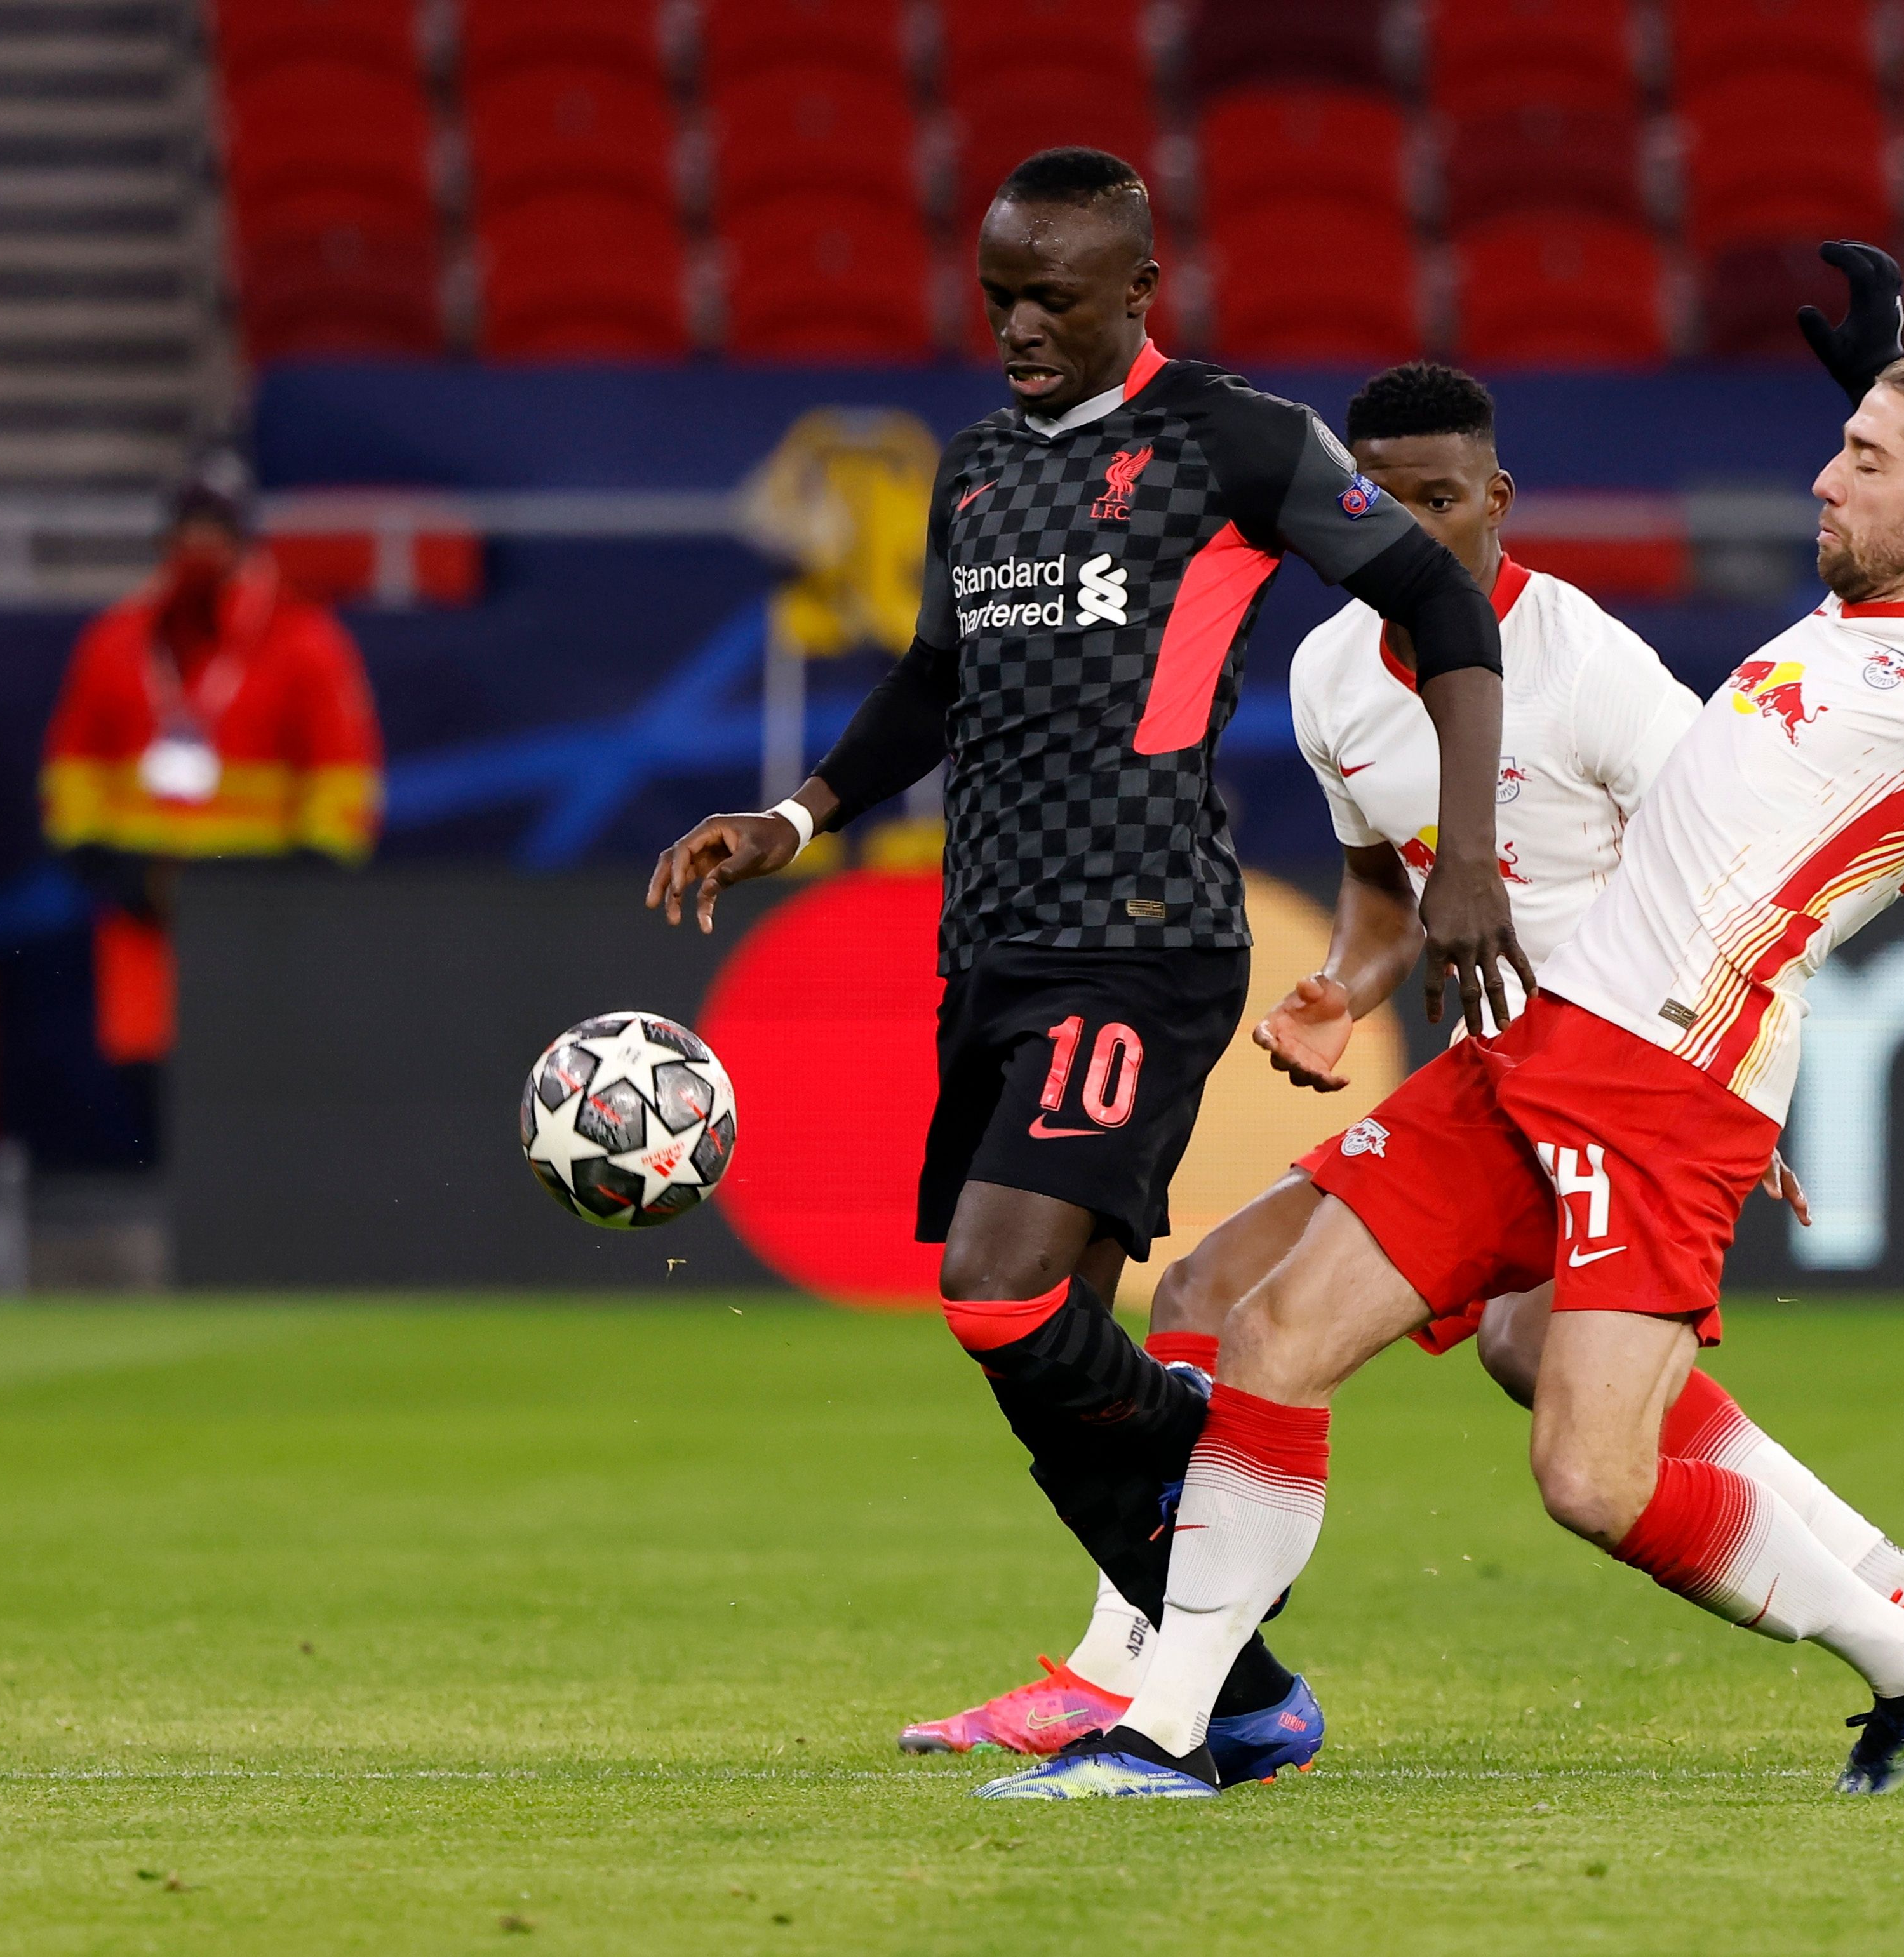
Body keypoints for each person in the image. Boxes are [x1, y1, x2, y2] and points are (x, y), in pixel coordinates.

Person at [981, 249, 1904, 1801]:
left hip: (1667, 1079)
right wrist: (1884, 380)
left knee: (1590, 1478)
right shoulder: (1853, 611)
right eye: (1840, 446)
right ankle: (1171, 1730)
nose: (1822, 478)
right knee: (1268, 1329)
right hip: (1543, 1039)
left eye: (1860, 460)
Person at [908, 360, 1904, 1761]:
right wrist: (1344, 984)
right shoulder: (1330, 674)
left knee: (1509, 1398)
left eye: (1440, 501)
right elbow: (1386, 892)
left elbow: (1739, 868)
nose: (1409, 532)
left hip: (1628, 1071)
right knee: (1244, 1296)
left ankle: (1157, 1671)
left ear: (1498, 499)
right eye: (1380, 504)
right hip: (1497, 1074)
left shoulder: (1588, 665)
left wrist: (1729, 1068)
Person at [644, 149, 1527, 1782]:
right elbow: (933, 680)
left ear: (1139, 289)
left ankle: (1217, 1509)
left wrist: (1461, 856)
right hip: (991, 942)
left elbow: (1446, 610)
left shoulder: (1235, 440)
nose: (1019, 329)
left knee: (998, 1284)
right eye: (998, 299)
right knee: (1024, 1332)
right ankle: (1230, 1680)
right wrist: (794, 813)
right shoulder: (978, 467)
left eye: (1052, 298)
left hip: (1141, 937)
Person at [41, 449, 384, 1068]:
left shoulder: (307, 644)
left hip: (262, 920)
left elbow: (344, 783)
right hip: (142, 916)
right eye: (189, 526)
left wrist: (297, 880)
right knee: (148, 1079)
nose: (201, 544)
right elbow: (73, 771)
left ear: (246, 537)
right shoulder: (115, 641)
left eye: (216, 528)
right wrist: (102, 865)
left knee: (250, 1079)